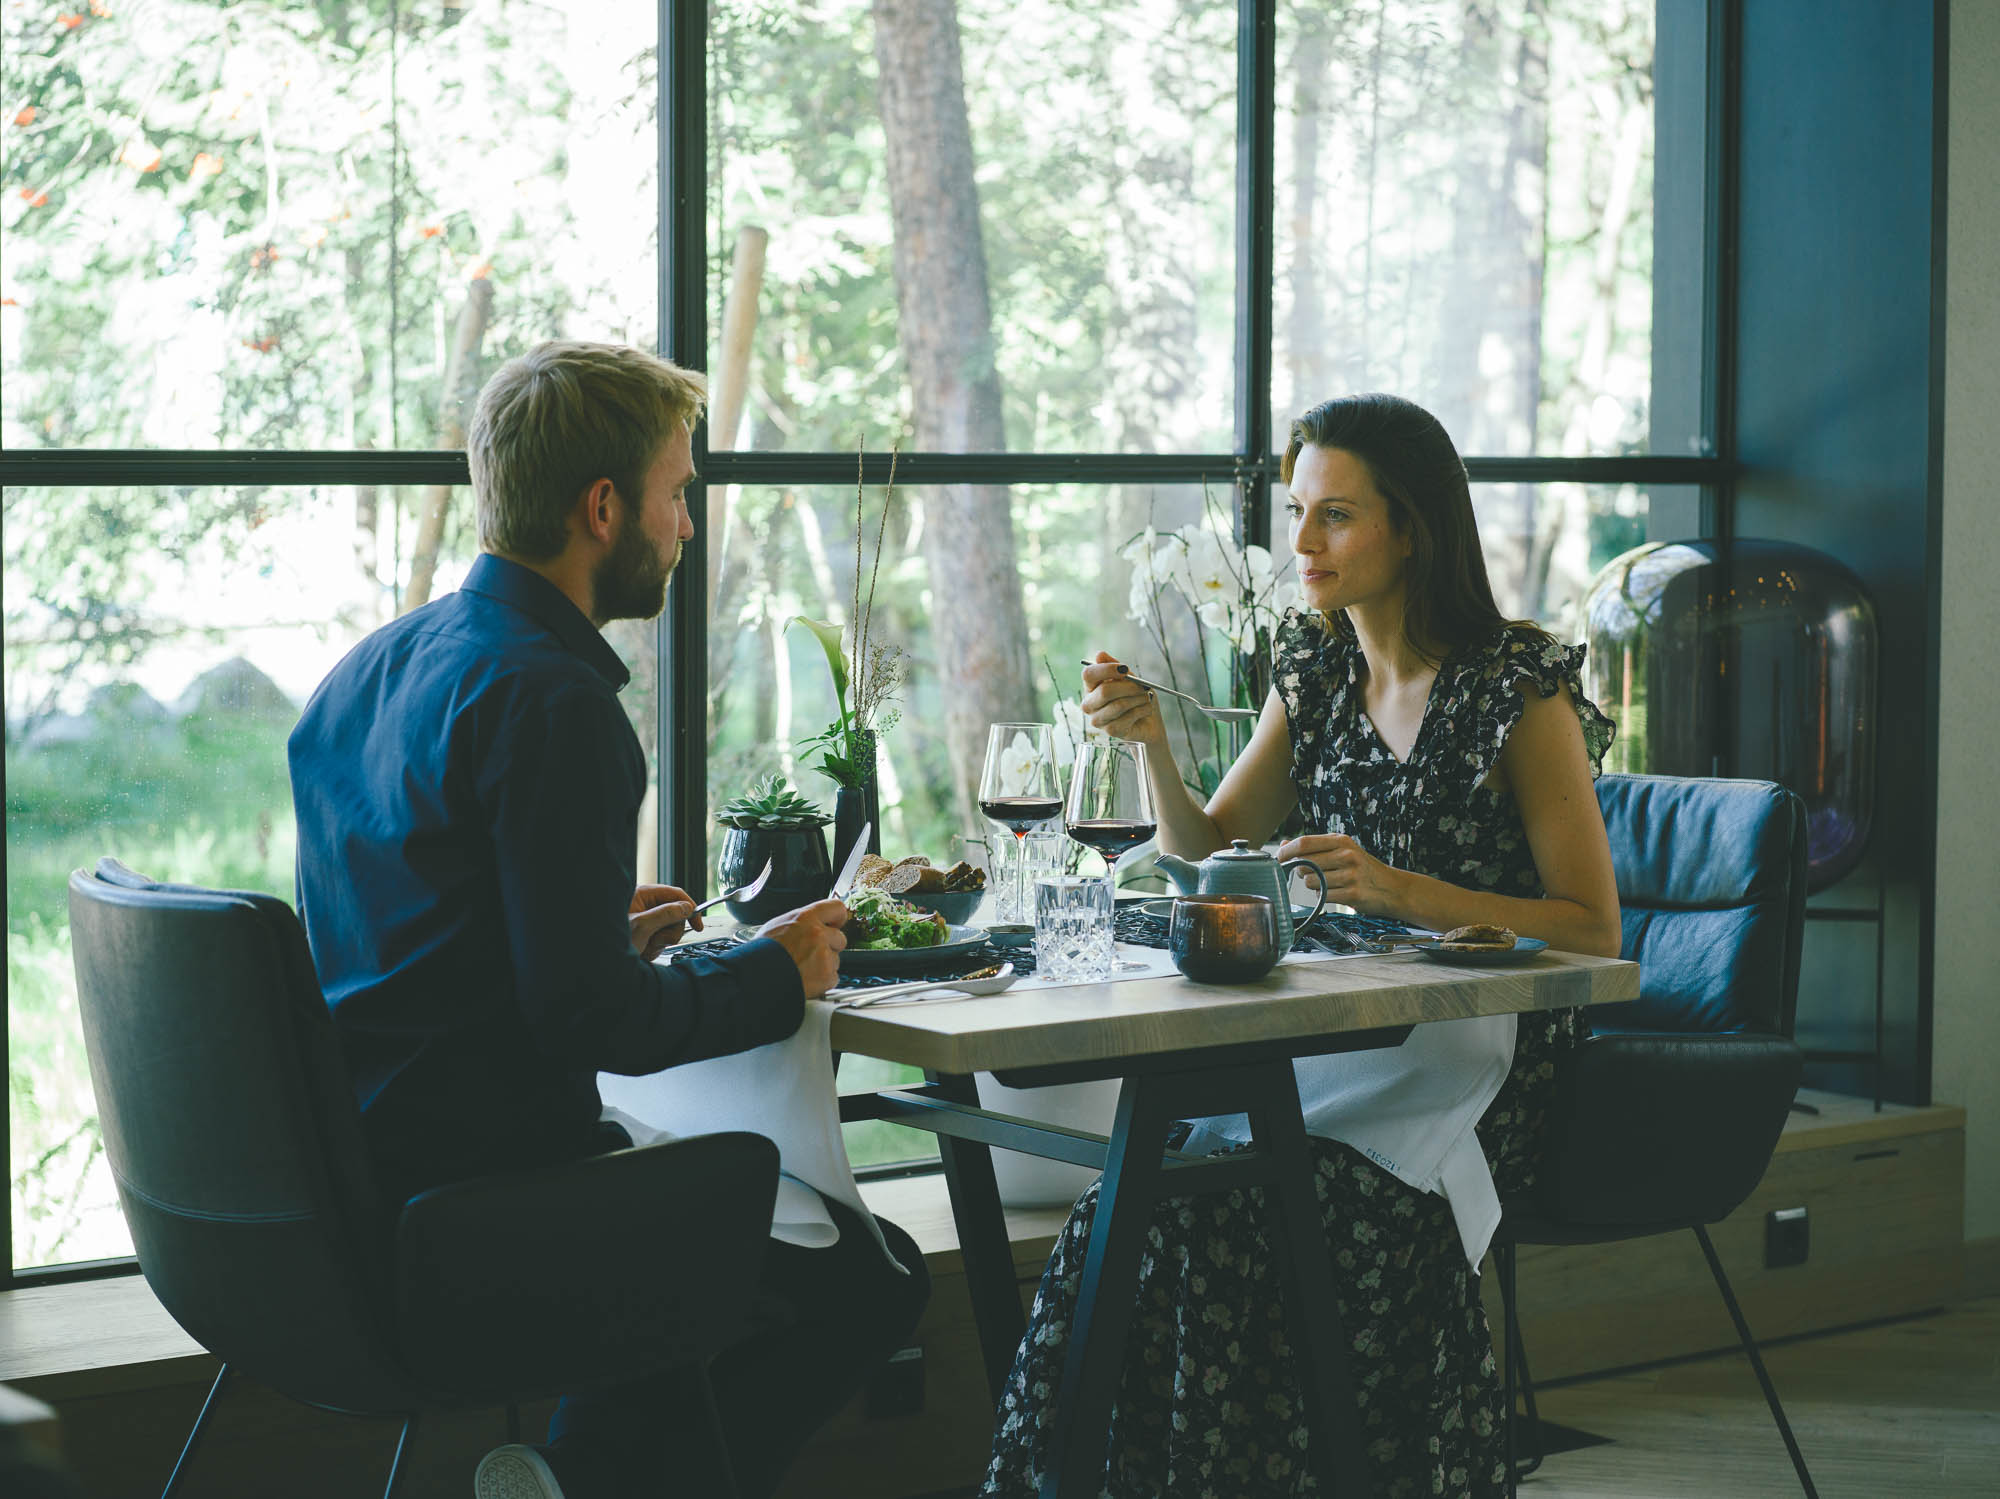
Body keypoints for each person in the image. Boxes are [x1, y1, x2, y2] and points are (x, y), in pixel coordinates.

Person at [287, 341, 929, 1499]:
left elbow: (402, 940)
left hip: (352, 1197)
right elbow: (597, 1021)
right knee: (867, 1282)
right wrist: (780, 969)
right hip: (486, 1206)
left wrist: (580, 920)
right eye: (677, 493)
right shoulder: (553, 700)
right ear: (602, 507)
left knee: (721, 1236)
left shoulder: (368, 669)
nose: (686, 526)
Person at [980, 392, 1621, 1499]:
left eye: (1334, 517)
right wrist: (1152, 752)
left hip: (1470, 1044)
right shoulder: (1315, 672)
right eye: (1295, 512)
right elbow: (1207, 848)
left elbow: (1590, 927)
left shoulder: (1515, 688)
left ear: (1410, 528)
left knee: (1248, 1211)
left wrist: (1399, 890)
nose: (1302, 544)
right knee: (1138, 1208)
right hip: (1325, 1028)